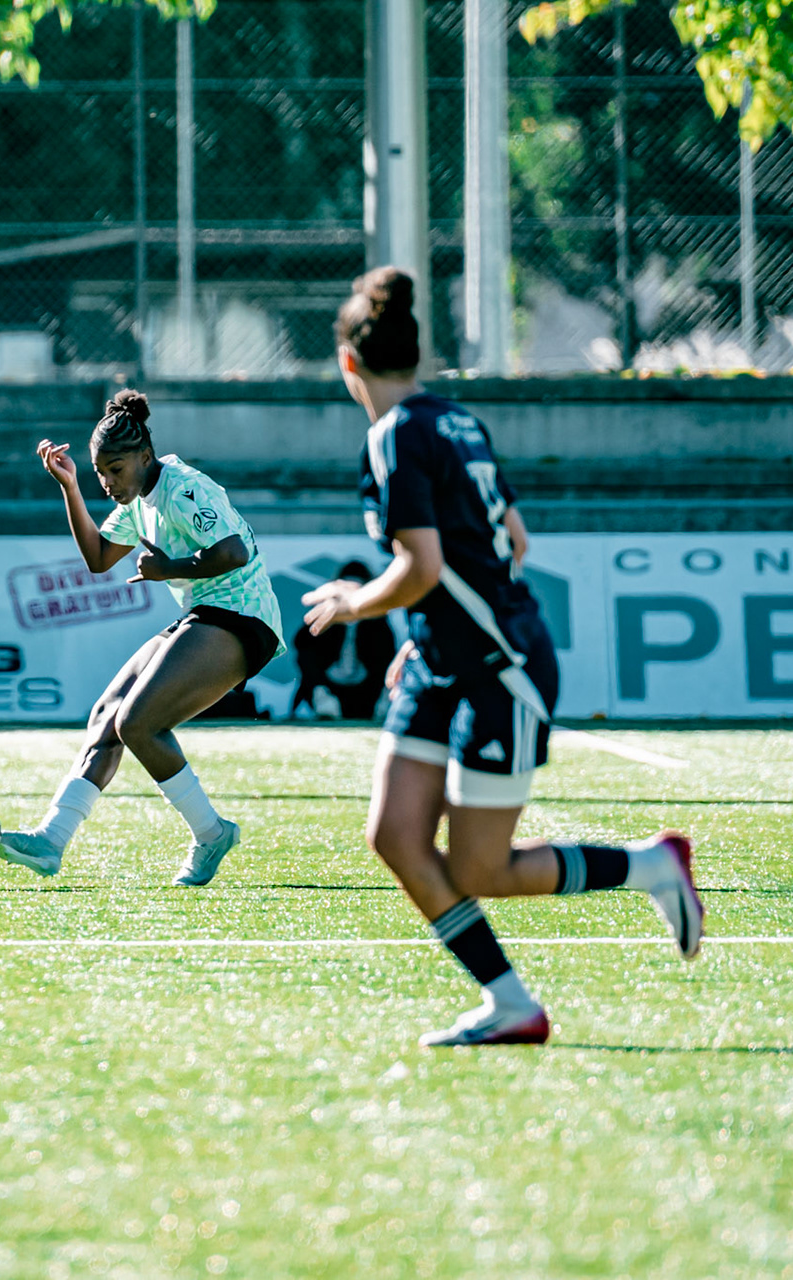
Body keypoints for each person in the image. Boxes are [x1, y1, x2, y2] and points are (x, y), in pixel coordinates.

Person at [300, 267, 703, 1047]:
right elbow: (511, 539)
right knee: (396, 836)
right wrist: (428, 631)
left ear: (349, 362)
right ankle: (511, 1004)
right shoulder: (457, 420)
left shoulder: (392, 435)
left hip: (498, 670)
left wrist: (356, 604)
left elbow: (422, 566)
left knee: (480, 868)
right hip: (446, 661)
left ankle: (650, 867)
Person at [0, 389, 286, 886]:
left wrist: (168, 569)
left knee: (138, 723)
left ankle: (212, 833)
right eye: (99, 473)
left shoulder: (183, 487)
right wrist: (70, 487)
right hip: (206, 613)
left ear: (145, 456)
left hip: (244, 615)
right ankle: (51, 840)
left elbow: (234, 553)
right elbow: (98, 558)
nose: (108, 482)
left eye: (116, 469)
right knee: (107, 715)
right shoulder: (136, 500)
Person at [292, 560, 396, 720]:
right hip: (328, 686)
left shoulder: (377, 621)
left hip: (366, 690)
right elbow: (302, 647)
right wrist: (319, 689)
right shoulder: (325, 613)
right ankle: (322, 701)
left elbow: (385, 657)